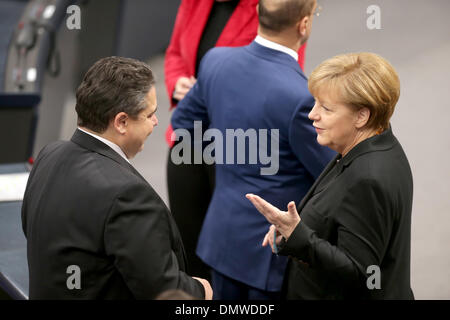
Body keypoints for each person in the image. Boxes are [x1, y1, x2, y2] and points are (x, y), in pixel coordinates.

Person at [171, 0, 334, 299]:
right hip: (269, 256)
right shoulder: (302, 98)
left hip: (221, 241)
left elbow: (184, 124)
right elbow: (332, 175)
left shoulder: (215, 61)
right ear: (304, 25)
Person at [21, 56, 212, 300]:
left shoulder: (49, 154)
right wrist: (201, 290)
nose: (156, 122)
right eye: (150, 114)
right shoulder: (128, 196)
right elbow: (163, 290)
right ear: (122, 122)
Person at [246, 52, 414, 299]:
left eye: (326, 108)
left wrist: (298, 237)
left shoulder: (368, 179)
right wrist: (292, 230)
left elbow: (362, 273)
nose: (312, 114)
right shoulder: (372, 140)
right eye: (315, 102)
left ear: (361, 116)